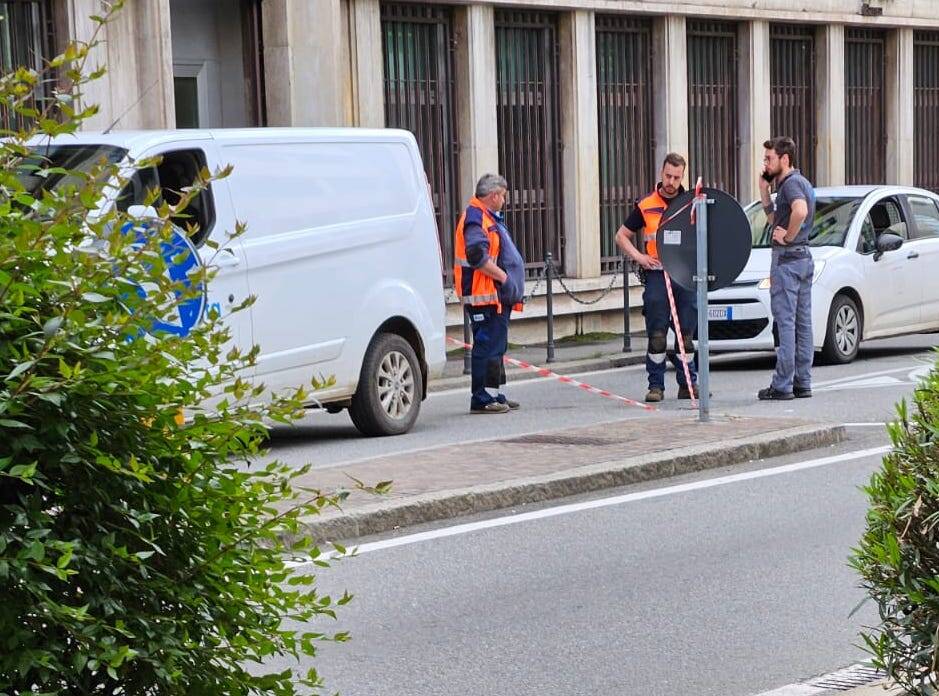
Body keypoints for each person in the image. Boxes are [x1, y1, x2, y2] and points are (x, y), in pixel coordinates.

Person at [614, 153, 699, 403]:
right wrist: (640, 257)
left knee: (685, 336)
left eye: (676, 177)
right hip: (657, 274)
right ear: (661, 173)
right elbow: (621, 236)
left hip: (684, 275)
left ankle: (688, 384)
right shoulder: (646, 204)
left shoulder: (691, 203)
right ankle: (656, 386)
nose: (671, 182)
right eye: (668, 176)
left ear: (682, 176)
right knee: (658, 334)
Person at [453, 174, 526, 414]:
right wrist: (504, 277)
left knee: (497, 346)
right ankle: (482, 398)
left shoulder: (486, 217)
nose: (504, 201)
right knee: (486, 346)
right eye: (503, 196)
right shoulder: (475, 218)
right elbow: (477, 257)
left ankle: (495, 394)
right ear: (493, 195)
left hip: (493, 295)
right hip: (483, 294)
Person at [757, 136, 816, 401]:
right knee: (803, 322)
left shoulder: (791, 184)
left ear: (785, 159)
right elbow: (775, 221)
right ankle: (803, 382)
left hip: (787, 260)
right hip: (802, 257)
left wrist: (788, 237)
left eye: (769, 159)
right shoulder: (800, 183)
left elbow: (799, 211)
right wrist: (763, 191)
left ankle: (782, 385)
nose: (765, 164)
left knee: (786, 323)